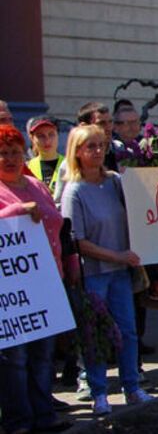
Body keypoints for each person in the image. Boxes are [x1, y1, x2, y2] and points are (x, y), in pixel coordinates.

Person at [61, 125, 153, 415]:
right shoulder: (74, 190)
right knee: (96, 335)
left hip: (120, 271)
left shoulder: (114, 182)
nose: (98, 151)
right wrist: (117, 255)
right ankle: (99, 392)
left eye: (101, 146)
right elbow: (78, 241)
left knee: (127, 331)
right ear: (77, 151)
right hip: (95, 273)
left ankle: (132, 387)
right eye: (91, 147)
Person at [0, 125, 73, 433]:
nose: (10, 158)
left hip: (46, 281)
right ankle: (18, 421)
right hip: (10, 291)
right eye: (2, 153)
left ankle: (44, 416)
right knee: (14, 359)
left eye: (15, 152)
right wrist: (17, 210)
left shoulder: (36, 185)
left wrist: (68, 265)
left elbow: (58, 224)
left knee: (43, 356)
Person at [25, 116, 64, 196]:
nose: (47, 140)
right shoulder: (27, 167)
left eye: (51, 134)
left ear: (58, 135)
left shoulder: (70, 165)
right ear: (32, 138)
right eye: (40, 136)